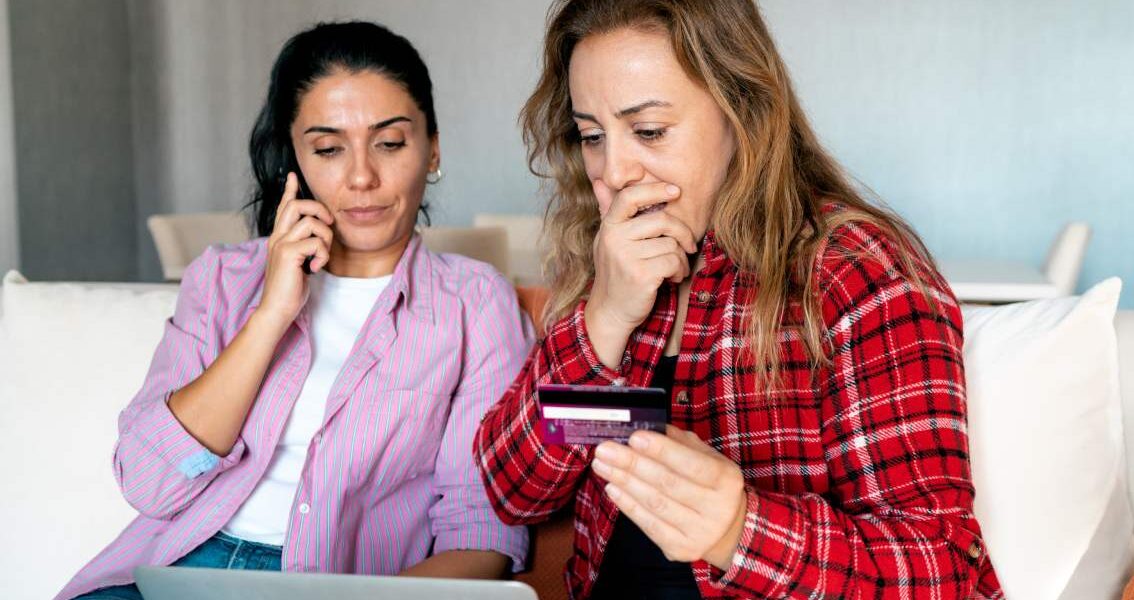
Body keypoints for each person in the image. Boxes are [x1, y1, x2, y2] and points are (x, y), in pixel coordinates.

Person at [473, 1, 1005, 598]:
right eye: (592, 136)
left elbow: (943, 572)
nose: (615, 170)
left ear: (741, 110)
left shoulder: (856, 274)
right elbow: (515, 492)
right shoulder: (611, 264)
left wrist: (737, 529)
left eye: (648, 131)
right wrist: (604, 318)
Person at [58, 21, 531, 600]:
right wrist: (271, 314)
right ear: (295, 158)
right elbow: (150, 483)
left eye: (390, 142)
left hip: (335, 587)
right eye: (329, 148)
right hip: (172, 571)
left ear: (432, 148)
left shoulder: (474, 305)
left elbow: (480, 526)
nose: (361, 176)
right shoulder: (223, 277)